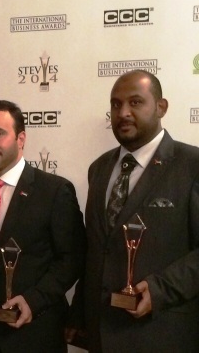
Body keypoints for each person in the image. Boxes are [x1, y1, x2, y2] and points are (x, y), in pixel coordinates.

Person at [66, 69, 199, 352]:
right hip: (102, 335)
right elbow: (97, 249)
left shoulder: (192, 165)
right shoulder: (99, 169)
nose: (123, 112)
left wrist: (160, 290)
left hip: (163, 335)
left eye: (135, 102)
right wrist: (78, 313)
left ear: (161, 107)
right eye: (116, 104)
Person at [0, 99, 86, 353]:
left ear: (21, 138)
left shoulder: (55, 191)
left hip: (35, 335)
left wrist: (33, 300)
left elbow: (72, 258)